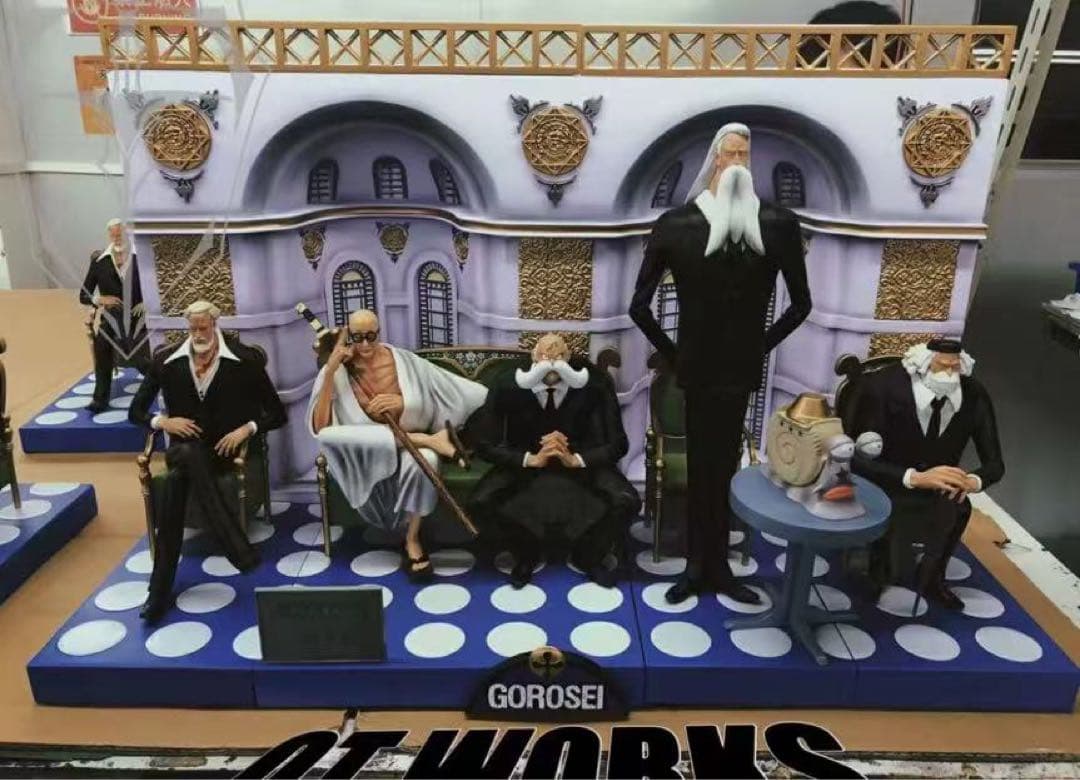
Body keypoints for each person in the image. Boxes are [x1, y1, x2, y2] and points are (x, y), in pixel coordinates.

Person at [629, 122, 812, 605]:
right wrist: (676, 358)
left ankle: (718, 566)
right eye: (729, 154)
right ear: (714, 158)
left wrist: (758, 347)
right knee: (699, 466)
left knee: (725, 464)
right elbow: (639, 307)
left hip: (738, 373)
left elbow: (801, 304)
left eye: (744, 155)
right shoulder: (677, 225)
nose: (736, 163)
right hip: (697, 372)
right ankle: (696, 565)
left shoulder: (777, 224)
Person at [128, 300, 287, 623]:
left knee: (176, 481)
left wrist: (246, 429)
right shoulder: (167, 362)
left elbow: (276, 414)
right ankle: (236, 548)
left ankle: (158, 592)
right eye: (192, 328)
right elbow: (136, 411)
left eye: (203, 327)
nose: (198, 334)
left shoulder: (244, 361)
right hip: (182, 450)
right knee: (187, 454)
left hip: (222, 454)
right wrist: (164, 422)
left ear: (215, 325)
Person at [308, 309, 487, 582]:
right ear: (347, 335)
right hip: (365, 452)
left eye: (371, 337)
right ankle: (432, 441)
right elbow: (321, 428)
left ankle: (412, 540)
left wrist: (403, 403)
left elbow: (435, 400)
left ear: (379, 332)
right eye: (357, 337)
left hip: (405, 442)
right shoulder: (336, 368)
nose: (365, 345)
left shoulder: (403, 361)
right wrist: (331, 370)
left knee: (426, 459)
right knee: (333, 436)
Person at [466, 333, 641, 589]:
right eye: (545, 356)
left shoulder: (595, 383)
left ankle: (588, 555)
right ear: (534, 357)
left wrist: (575, 459)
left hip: (580, 460)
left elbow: (618, 444)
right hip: (527, 460)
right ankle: (525, 552)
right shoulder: (507, 383)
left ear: (568, 358)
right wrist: (530, 459)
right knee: (479, 502)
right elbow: (484, 444)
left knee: (627, 501)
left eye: (558, 356)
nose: (551, 363)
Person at [850, 339, 1005, 609]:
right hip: (887, 479)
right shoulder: (882, 389)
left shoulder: (974, 396)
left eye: (954, 368)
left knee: (959, 508)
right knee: (890, 508)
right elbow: (857, 460)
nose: (949, 374)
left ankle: (933, 575)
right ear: (923, 365)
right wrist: (915, 478)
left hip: (939, 490)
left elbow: (995, 464)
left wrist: (970, 481)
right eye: (942, 366)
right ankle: (877, 573)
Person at [79, 218, 149, 413]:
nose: (117, 238)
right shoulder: (99, 261)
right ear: (109, 236)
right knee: (102, 345)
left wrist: (147, 302)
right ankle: (100, 399)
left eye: (120, 234)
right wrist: (100, 300)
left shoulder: (141, 257)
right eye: (114, 235)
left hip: (138, 317)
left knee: (131, 349)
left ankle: (157, 381)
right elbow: (83, 295)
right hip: (112, 319)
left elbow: (156, 285)